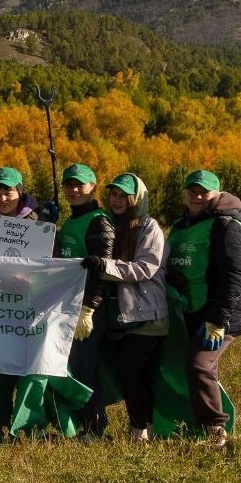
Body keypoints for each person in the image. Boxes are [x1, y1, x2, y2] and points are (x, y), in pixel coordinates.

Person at [76, 173, 168, 442]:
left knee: (131, 371)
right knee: (128, 374)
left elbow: (145, 267)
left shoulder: (148, 227)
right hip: (122, 316)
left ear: (136, 198)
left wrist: (105, 266)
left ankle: (140, 429)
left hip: (147, 314)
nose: (117, 200)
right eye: (113, 194)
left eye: (123, 195)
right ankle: (142, 426)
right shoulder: (110, 225)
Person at [165, 169, 241, 447]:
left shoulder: (227, 225)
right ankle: (183, 423)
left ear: (217, 194)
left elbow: (234, 276)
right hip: (186, 311)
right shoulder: (180, 225)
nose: (198, 196)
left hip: (216, 315)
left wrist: (219, 320)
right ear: (185, 193)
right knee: (189, 367)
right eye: (192, 191)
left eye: (204, 192)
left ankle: (216, 431)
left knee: (199, 365)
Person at [55, 163, 115, 436]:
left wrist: (90, 308)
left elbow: (103, 269)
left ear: (93, 186)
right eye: (69, 184)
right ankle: (82, 423)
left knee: (86, 369)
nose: (74, 189)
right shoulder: (72, 219)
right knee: (76, 368)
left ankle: (94, 425)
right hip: (69, 306)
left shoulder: (99, 220)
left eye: (80, 184)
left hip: (88, 310)